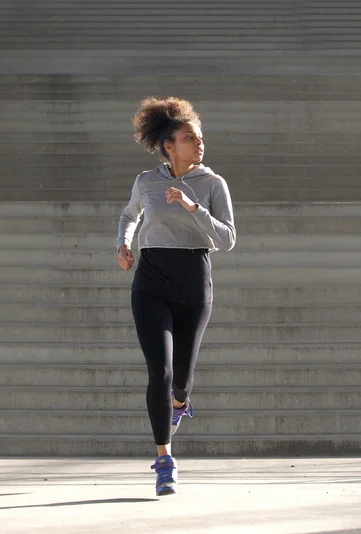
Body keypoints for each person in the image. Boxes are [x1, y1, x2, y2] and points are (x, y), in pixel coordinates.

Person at [116, 96, 236, 497]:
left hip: (193, 280)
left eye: (200, 137)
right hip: (150, 280)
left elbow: (228, 239)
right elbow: (130, 215)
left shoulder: (212, 184)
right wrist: (124, 243)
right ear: (169, 144)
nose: (199, 143)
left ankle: (181, 402)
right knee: (160, 372)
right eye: (190, 138)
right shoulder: (146, 181)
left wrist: (193, 207)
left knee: (180, 379)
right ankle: (164, 460)